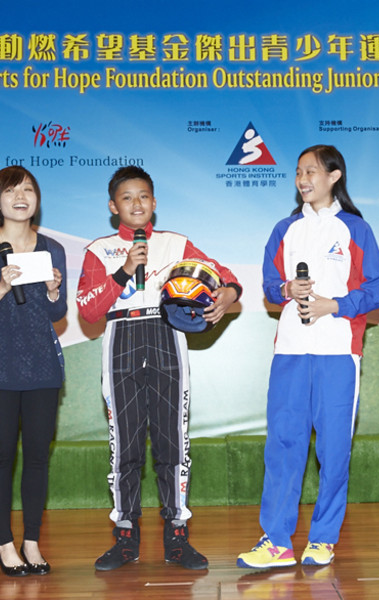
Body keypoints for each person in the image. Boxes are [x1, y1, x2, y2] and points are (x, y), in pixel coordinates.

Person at [76, 165, 242, 571]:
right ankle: (126, 535)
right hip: (121, 337)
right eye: (127, 197)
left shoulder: (176, 243)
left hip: (167, 334)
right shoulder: (99, 250)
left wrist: (227, 295)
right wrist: (123, 269)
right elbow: (89, 309)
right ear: (113, 206)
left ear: (154, 203)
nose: (137, 203)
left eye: (144, 196)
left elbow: (227, 278)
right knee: (125, 446)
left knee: (173, 443)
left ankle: (177, 535)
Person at [237, 144, 379, 568]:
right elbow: (268, 285)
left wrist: (333, 305)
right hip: (290, 350)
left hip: (338, 352)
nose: (303, 179)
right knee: (284, 444)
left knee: (334, 448)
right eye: (299, 172)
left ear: (334, 176)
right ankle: (278, 542)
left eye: (312, 172)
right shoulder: (284, 229)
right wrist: (287, 289)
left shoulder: (355, 229)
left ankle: (322, 538)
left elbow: (376, 290)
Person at [0, 166, 67, 577]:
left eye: (28, 189)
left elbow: (57, 312)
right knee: (2, 456)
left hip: (41, 365)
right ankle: (5, 544)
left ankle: (32, 541)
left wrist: (55, 291)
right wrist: (0, 286)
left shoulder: (52, 248)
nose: (21, 196)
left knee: (38, 458)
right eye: (11, 190)